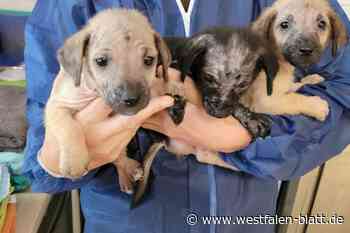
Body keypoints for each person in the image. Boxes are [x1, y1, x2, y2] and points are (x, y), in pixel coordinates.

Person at [23, 1, 350, 233]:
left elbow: (343, 88)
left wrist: (238, 138)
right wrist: (59, 154)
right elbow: (43, 154)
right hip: (127, 221)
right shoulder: (71, 9)